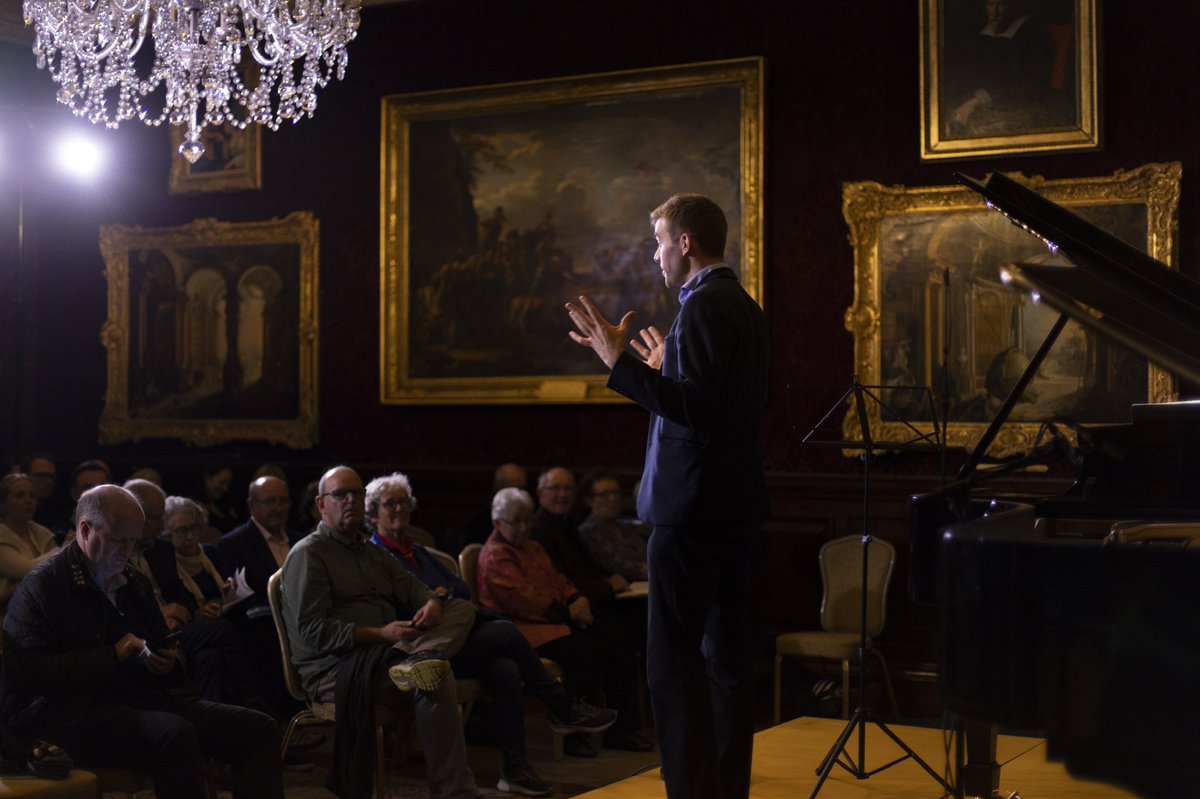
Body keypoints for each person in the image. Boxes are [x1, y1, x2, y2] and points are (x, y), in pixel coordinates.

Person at [565, 193, 769, 799]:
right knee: (728, 663)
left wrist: (620, 365)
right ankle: (724, 788)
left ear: (685, 243)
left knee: (673, 666)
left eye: (658, 243)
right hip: (732, 507)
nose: (654, 257)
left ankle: (689, 789)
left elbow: (698, 411)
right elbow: (721, 406)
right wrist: (664, 370)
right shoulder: (744, 307)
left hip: (691, 512)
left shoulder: (705, 306)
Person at [0, 485, 283, 798]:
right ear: (84, 529)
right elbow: (24, 672)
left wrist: (170, 664)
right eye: (119, 541)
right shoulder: (45, 584)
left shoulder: (133, 580)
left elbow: (167, 646)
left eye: (133, 541)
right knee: (174, 733)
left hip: (139, 701)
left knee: (259, 728)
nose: (127, 550)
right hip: (70, 713)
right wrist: (112, 655)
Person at [365, 471, 616, 796]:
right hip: (417, 647)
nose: (399, 509)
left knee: (505, 669)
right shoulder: (376, 555)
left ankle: (515, 769)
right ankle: (560, 706)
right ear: (373, 512)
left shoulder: (419, 550)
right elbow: (400, 603)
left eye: (403, 502)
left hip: (455, 637)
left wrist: (439, 596)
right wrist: (438, 597)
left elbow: (460, 587)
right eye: (389, 504)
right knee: (505, 630)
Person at [280, 465, 482, 799]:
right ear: (321, 504)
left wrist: (431, 601)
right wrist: (381, 634)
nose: (350, 500)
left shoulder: (371, 551)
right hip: (337, 667)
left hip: (389, 656)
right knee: (434, 677)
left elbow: (415, 588)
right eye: (340, 494)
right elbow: (313, 632)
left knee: (460, 609)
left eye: (356, 493)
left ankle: (415, 658)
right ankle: (455, 793)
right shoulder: (308, 554)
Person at [479, 487, 651, 757]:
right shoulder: (495, 555)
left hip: (555, 620)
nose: (524, 527)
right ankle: (570, 727)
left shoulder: (532, 546)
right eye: (516, 522)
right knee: (589, 652)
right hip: (523, 630)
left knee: (618, 641)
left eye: (527, 520)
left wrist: (577, 598)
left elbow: (557, 580)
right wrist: (569, 612)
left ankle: (623, 730)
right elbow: (525, 600)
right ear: (497, 522)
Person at [0, 473, 59, 632]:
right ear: (3, 504)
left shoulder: (43, 534)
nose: (28, 501)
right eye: (19, 495)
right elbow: (27, 569)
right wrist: (63, 549)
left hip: (44, 617)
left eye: (32, 496)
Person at [577, 470, 649, 582]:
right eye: (604, 494)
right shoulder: (588, 532)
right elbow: (615, 565)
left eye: (615, 492)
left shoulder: (626, 528)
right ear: (589, 500)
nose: (613, 499)